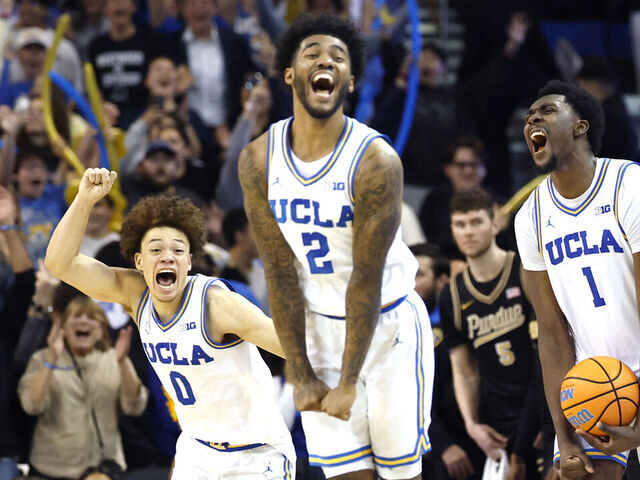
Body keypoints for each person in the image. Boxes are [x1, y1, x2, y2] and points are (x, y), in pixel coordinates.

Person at [239, 13, 433, 480]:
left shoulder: (375, 161)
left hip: (387, 330)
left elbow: (366, 277)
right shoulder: (258, 160)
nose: (325, 61)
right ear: (290, 74)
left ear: (349, 80)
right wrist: (300, 372)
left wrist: (348, 381)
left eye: (338, 57)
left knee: (400, 476)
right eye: (312, 54)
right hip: (318, 329)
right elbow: (279, 272)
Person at [44, 168, 296, 478]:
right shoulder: (134, 295)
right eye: (156, 250)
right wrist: (84, 200)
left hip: (255, 452)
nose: (168, 257)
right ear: (139, 261)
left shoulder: (216, 304)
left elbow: (295, 347)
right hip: (197, 450)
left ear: (190, 261)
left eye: (178, 250)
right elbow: (59, 263)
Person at [514, 79, 640, 479]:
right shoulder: (530, 216)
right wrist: (564, 436)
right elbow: (552, 336)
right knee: (577, 473)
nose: (533, 118)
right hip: (593, 379)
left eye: (547, 111)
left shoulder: (628, 184)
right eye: (529, 116)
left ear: (581, 126)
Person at [439, 188, 539, 479]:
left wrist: (549, 420)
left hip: (538, 409)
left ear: (494, 223)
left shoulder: (524, 269)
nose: (467, 232)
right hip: (497, 426)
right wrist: (472, 424)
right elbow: (463, 369)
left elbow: (552, 347)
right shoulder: (452, 297)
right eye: (460, 224)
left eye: (475, 222)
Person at [17, 295, 148, 479]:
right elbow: (32, 405)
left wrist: (123, 362)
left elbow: (135, 407)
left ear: (102, 330)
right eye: (76, 316)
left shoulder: (114, 358)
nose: (84, 321)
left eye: (92, 318)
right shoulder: (43, 359)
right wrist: (52, 359)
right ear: (63, 327)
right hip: (51, 470)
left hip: (102, 471)